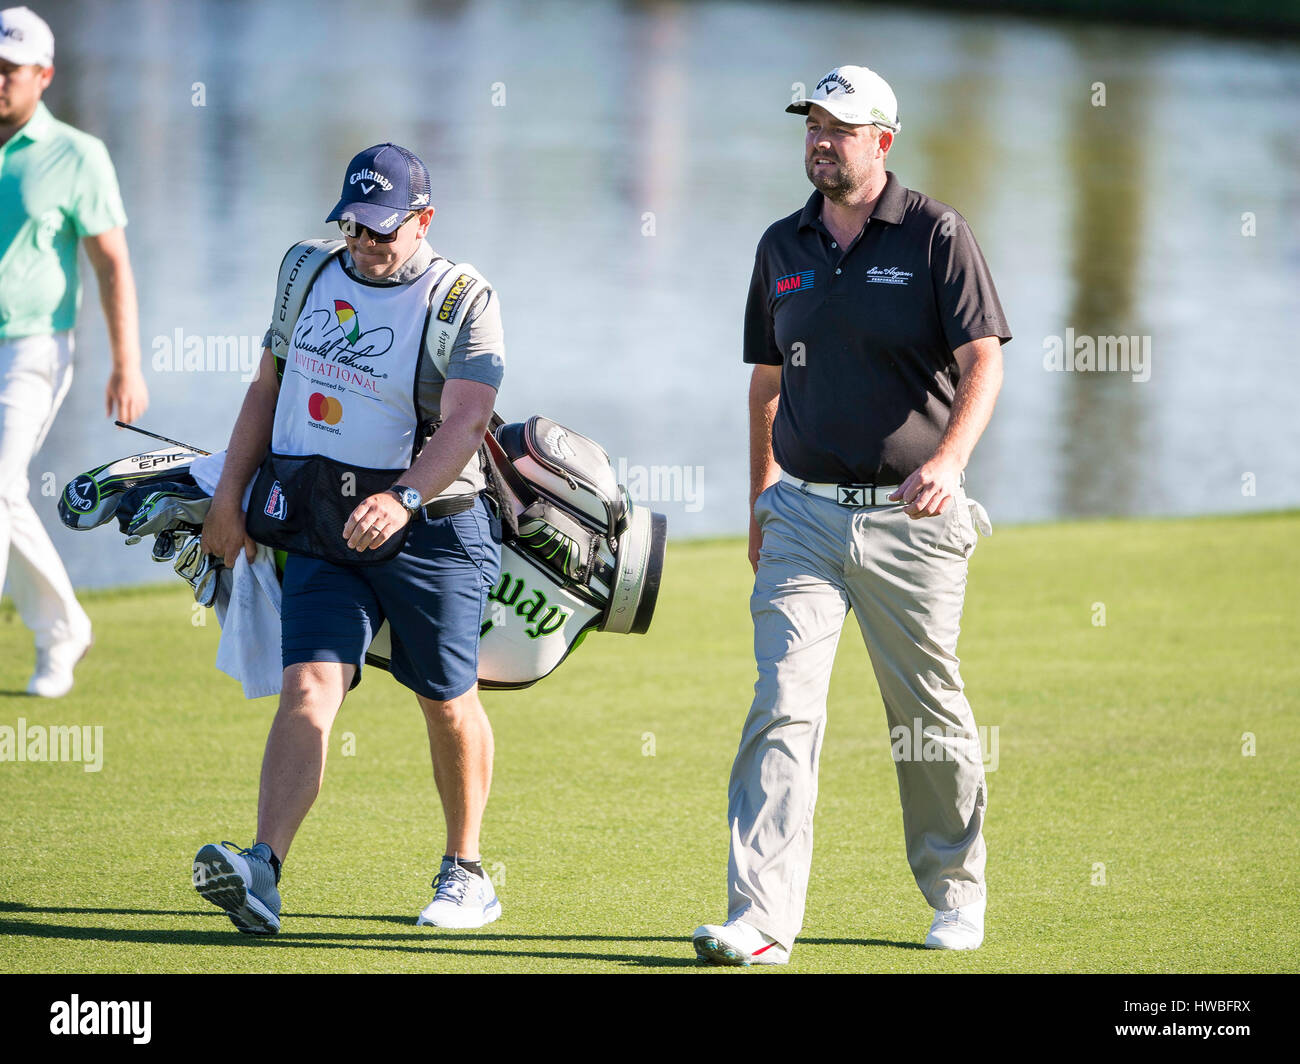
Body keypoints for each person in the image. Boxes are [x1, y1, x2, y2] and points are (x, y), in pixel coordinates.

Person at [692, 65, 1010, 965]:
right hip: (802, 515)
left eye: (838, 127)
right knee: (781, 708)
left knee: (928, 715)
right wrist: (760, 493)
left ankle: (956, 892)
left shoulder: (938, 234)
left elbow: (984, 359)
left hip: (913, 522)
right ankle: (759, 923)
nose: (819, 142)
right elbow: (766, 379)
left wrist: (950, 463)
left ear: (883, 140)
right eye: (811, 127)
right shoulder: (780, 245)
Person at [193, 142, 505, 934]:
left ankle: (467, 873)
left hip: (433, 530)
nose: (366, 244)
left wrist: (401, 498)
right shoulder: (305, 271)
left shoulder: (463, 297)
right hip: (325, 525)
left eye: (384, 230)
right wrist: (228, 498)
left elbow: (468, 419)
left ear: (424, 221)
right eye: (355, 227)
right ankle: (263, 869)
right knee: (309, 688)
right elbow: (266, 388)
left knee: (445, 701)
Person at [0, 5, 148, 697]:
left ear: (44, 75)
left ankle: (57, 638)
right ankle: (64, 630)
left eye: (10, 72)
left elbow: (112, 263)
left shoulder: (78, 154)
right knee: (4, 496)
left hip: (33, 347)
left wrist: (127, 362)